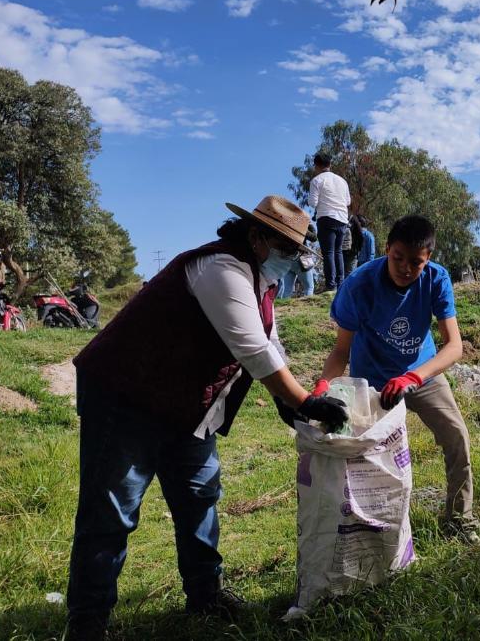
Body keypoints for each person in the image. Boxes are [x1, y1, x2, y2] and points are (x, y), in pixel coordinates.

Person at [64, 196, 349, 641]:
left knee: (200, 495)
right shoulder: (220, 269)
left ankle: (205, 595)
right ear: (256, 237)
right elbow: (252, 350)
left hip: (184, 405)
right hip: (125, 395)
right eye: (285, 248)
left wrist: (287, 402)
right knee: (111, 512)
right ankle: (88, 621)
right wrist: (302, 402)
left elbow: (270, 344)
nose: (291, 259)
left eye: (296, 250)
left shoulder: (260, 282)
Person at [316, 215, 479, 541]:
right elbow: (340, 351)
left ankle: (461, 521)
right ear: (387, 249)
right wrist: (324, 385)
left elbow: (455, 346)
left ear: (428, 259)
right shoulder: (359, 286)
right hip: (374, 382)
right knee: (370, 457)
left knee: (457, 436)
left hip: (421, 374)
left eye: (416, 263)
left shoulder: (436, 279)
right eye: (398, 258)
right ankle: (374, 531)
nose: (406, 268)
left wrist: (413, 377)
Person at [308, 152, 351, 292]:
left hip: (326, 217)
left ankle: (330, 285)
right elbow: (348, 201)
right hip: (342, 219)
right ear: (330, 164)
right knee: (338, 252)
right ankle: (341, 284)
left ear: (316, 166)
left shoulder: (317, 180)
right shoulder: (342, 181)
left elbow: (313, 203)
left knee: (328, 253)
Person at [278, 224, 318, 298]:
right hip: (301, 259)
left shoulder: (285, 224)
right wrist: (310, 226)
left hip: (287, 259)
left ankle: (284, 307)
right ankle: (308, 308)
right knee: (309, 287)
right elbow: (314, 238)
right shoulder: (301, 225)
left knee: (287, 289)